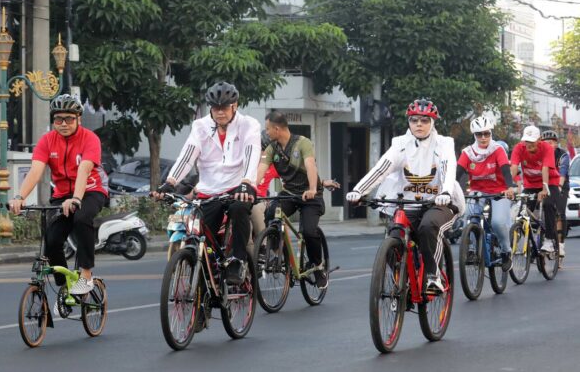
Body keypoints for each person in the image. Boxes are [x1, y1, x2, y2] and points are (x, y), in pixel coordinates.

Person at [346, 98, 464, 293]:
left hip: (440, 202)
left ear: (432, 123)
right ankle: (406, 280)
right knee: (393, 236)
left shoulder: (443, 144)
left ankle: (433, 277)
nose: (419, 124)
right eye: (414, 120)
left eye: (425, 120)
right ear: (409, 122)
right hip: (408, 204)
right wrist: (359, 190)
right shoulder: (400, 144)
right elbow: (381, 169)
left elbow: (447, 167)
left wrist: (445, 191)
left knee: (428, 227)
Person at [153, 81, 261, 284]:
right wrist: (170, 181)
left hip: (239, 187)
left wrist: (246, 182)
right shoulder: (200, 126)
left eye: (224, 107)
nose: (220, 112)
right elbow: (187, 156)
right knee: (204, 246)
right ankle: (203, 305)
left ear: (235, 105)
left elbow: (251, 153)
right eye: (215, 108)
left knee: (239, 209)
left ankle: (238, 260)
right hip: (209, 191)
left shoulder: (249, 125)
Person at [9, 94, 108, 295]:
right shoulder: (47, 141)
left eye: (69, 119)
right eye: (58, 119)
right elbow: (35, 171)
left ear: (78, 118)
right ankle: (64, 287)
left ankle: (86, 275)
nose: (64, 124)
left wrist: (77, 199)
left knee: (81, 218)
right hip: (62, 194)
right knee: (52, 239)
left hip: (90, 191)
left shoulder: (90, 139)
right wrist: (20, 197)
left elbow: (84, 169)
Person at [256, 111, 329, 289]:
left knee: (309, 232)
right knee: (271, 212)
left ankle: (318, 268)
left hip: (310, 196)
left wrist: (312, 189)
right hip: (289, 193)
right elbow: (261, 169)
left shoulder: (302, 143)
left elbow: (311, 165)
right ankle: (278, 252)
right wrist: (250, 187)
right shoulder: (272, 148)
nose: (266, 133)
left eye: (267, 129)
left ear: (277, 128)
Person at [456, 116, 517, 271]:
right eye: (479, 134)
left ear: (491, 133)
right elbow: (457, 173)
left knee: (497, 222)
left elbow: (505, 169)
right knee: (469, 218)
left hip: (500, 191)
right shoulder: (468, 153)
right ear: (474, 136)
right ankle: (471, 250)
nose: (483, 138)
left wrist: (509, 187)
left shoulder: (497, 149)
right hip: (478, 191)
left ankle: (506, 251)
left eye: (486, 134)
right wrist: (448, 189)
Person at [510, 125, 561, 254]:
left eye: (532, 141)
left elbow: (545, 168)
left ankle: (549, 240)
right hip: (530, 185)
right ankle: (524, 237)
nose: (529, 144)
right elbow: (514, 168)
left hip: (550, 182)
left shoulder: (546, 148)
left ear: (539, 139)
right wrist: (508, 186)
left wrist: (544, 188)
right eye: (527, 141)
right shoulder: (518, 148)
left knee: (548, 204)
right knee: (522, 210)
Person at [541, 130, 569, 257]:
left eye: (551, 143)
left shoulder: (563, 155)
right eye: (545, 143)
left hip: (560, 185)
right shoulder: (539, 154)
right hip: (544, 185)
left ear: (556, 144)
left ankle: (561, 244)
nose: (548, 145)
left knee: (560, 212)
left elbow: (562, 173)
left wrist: (559, 186)